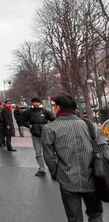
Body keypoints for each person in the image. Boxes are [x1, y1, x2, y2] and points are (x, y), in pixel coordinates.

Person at [43, 93, 109, 222]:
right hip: (93, 179)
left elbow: (49, 157)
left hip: (68, 181)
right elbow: (104, 151)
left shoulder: (49, 128)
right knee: (95, 215)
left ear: (58, 108)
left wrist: (56, 174)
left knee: (74, 218)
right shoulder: (90, 126)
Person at [24, 97, 55, 177]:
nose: (36, 104)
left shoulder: (45, 111)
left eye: (37, 102)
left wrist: (48, 127)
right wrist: (29, 125)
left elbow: (53, 120)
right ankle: (42, 169)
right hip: (35, 135)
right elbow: (21, 120)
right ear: (32, 103)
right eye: (34, 102)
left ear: (40, 103)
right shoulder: (28, 111)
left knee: (49, 152)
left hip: (45, 135)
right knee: (38, 153)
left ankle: (54, 170)